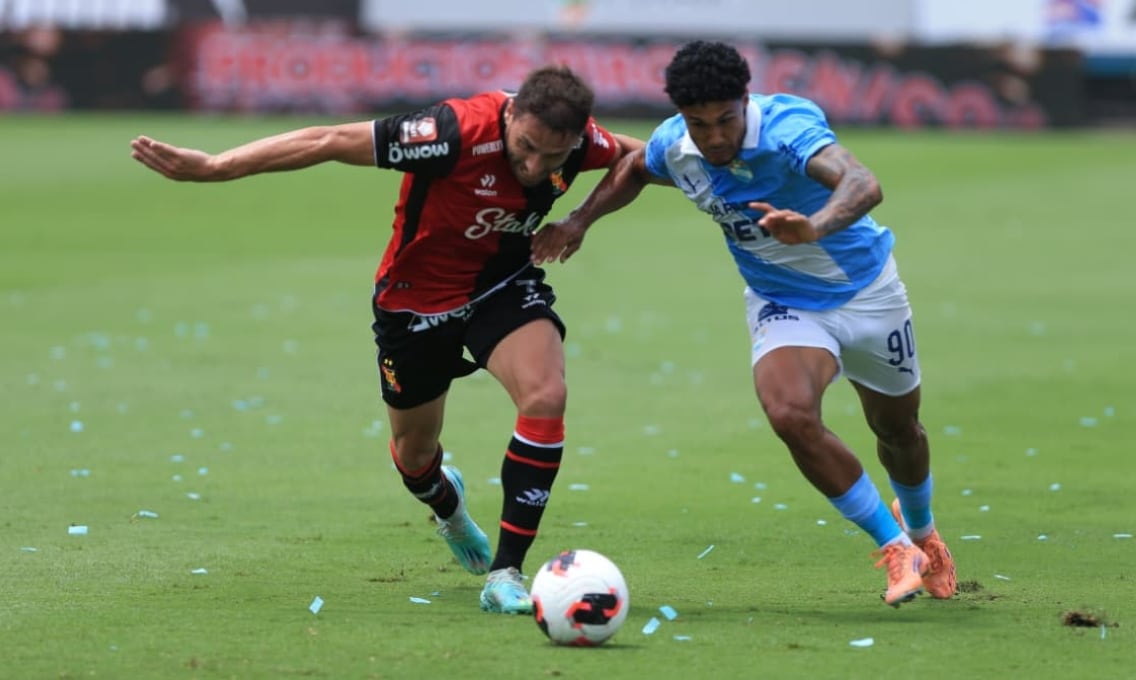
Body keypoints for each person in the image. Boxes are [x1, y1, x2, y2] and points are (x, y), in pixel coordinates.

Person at [131, 66, 642, 614]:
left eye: (555, 158)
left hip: (502, 285)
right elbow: (327, 139)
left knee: (546, 396)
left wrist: (581, 219)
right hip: (415, 304)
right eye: (528, 148)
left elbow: (644, 158)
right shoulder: (452, 132)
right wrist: (215, 166)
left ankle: (506, 573)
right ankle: (447, 506)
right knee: (414, 457)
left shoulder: (583, 139)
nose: (537, 166)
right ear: (511, 115)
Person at [532, 41, 956, 606]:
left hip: (869, 295)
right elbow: (635, 165)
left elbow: (863, 184)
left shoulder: (787, 128)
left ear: (746, 101)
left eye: (725, 119)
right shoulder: (676, 144)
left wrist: (815, 225)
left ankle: (925, 530)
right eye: (698, 123)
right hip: (784, 301)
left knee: (899, 432)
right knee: (789, 413)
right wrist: (580, 220)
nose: (712, 137)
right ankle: (898, 547)